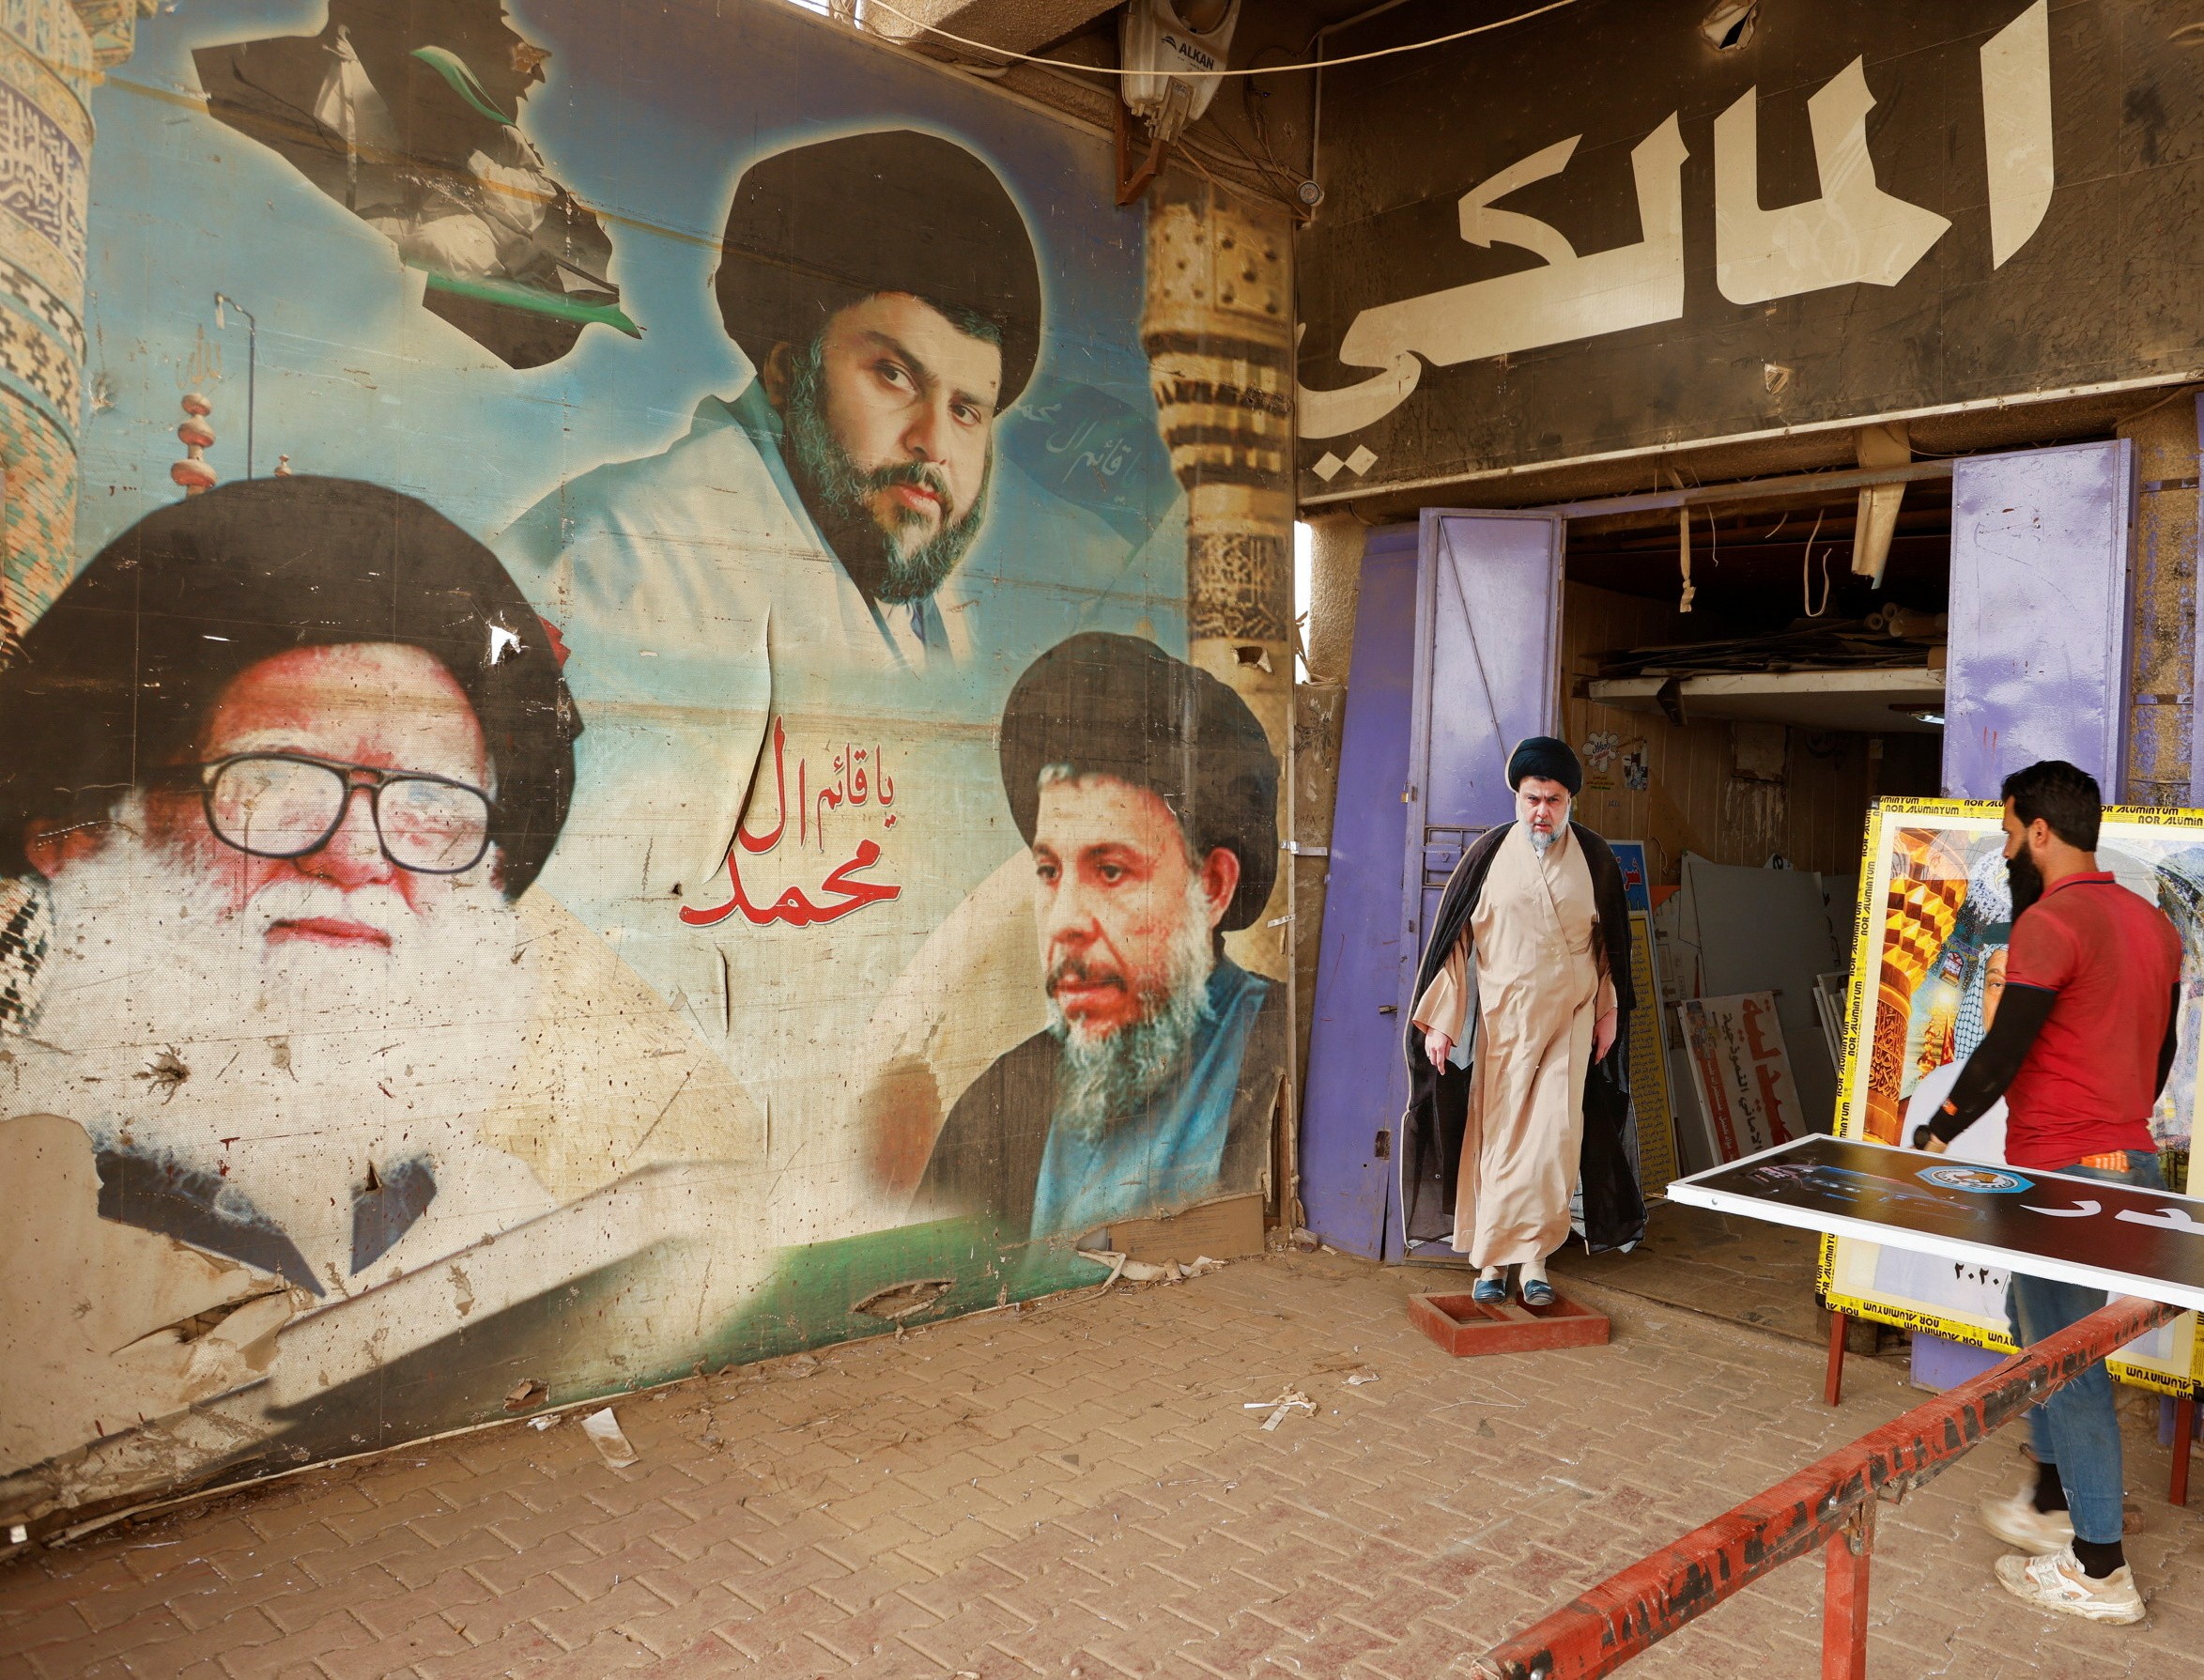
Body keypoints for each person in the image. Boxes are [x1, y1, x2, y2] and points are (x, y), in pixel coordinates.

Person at [0, 477, 581, 1297]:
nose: (355, 857)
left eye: (428, 803)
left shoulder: (504, 1222)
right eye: (272, 782)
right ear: (81, 834)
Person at [499, 127, 1043, 676]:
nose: (935, 442)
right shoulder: (631, 557)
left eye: (966, 410)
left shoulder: (919, 595)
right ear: (786, 372)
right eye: (895, 375)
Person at [1911, 759, 2182, 1626]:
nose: (2003, 849)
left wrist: (1934, 1133)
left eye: (2005, 832)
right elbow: (2163, 1054)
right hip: (2121, 1161)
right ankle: (2055, 1502)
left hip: (2058, 1172)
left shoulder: (2049, 921)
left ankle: (2099, 1568)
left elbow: (2000, 1052)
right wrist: (2118, 1127)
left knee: (2066, 1365)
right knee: (2040, 1339)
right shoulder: (2152, 925)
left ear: (2037, 830)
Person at [912, 634, 1285, 1239]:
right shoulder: (996, 1105)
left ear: (1212, 888)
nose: (1065, 922)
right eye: (1048, 871)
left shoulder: (1285, 1054)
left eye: (1110, 871)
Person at [1406, 737, 1641, 1307]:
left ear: (1570, 802)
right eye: (1533, 798)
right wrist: (1441, 1022)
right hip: (1503, 1029)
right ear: (1517, 796)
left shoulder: (1596, 858)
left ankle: (1534, 1261)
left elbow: (1610, 946)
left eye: (1554, 800)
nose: (1542, 811)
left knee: (1554, 1143)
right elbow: (1455, 946)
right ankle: (1489, 1264)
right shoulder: (1487, 855)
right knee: (1497, 1146)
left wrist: (1609, 1012)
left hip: (1571, 1024)